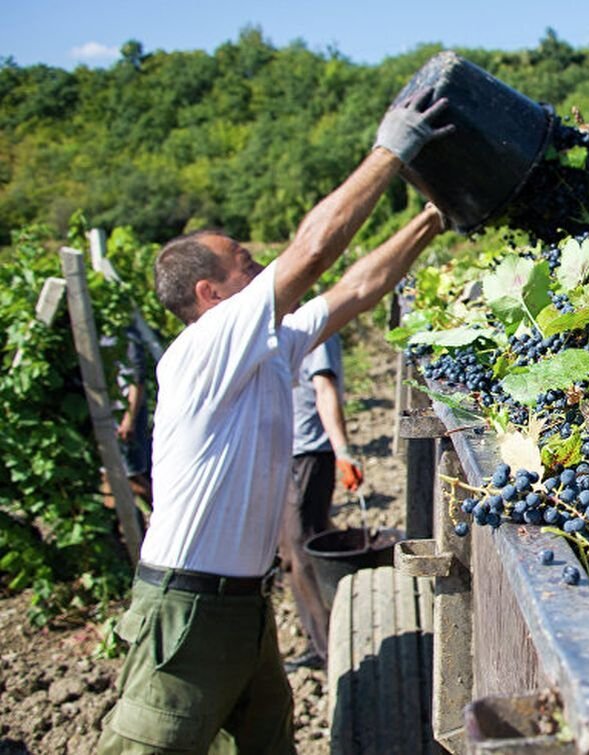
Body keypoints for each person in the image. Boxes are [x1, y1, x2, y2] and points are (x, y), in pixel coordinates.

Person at [97, 88, 454, 754]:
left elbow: (353, 288)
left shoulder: (266, 350)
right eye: (246, 264)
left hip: (241, 607)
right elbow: (313, 253)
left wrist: (434, 216)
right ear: (211, 294)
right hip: (186, 612)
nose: (263, 269)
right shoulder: (200, 351)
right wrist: (393, 148)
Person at [279, 331, 362, 672]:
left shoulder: (313, 329)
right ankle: (329, 637)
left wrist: (342, 450)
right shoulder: (279, 330)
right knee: (295, 549)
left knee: (302, 552)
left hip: (309, 452)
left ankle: (331, 649)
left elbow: (325, 388)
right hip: (292, 453)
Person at [100, 321, 153, 513]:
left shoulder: (125, 331)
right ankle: (126, 531)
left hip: (123, 416)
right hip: (103, 416)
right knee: (107, 477)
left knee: (131, 477)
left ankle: (168, 518)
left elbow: (137, 378)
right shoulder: (93, 325)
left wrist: (129, 419)